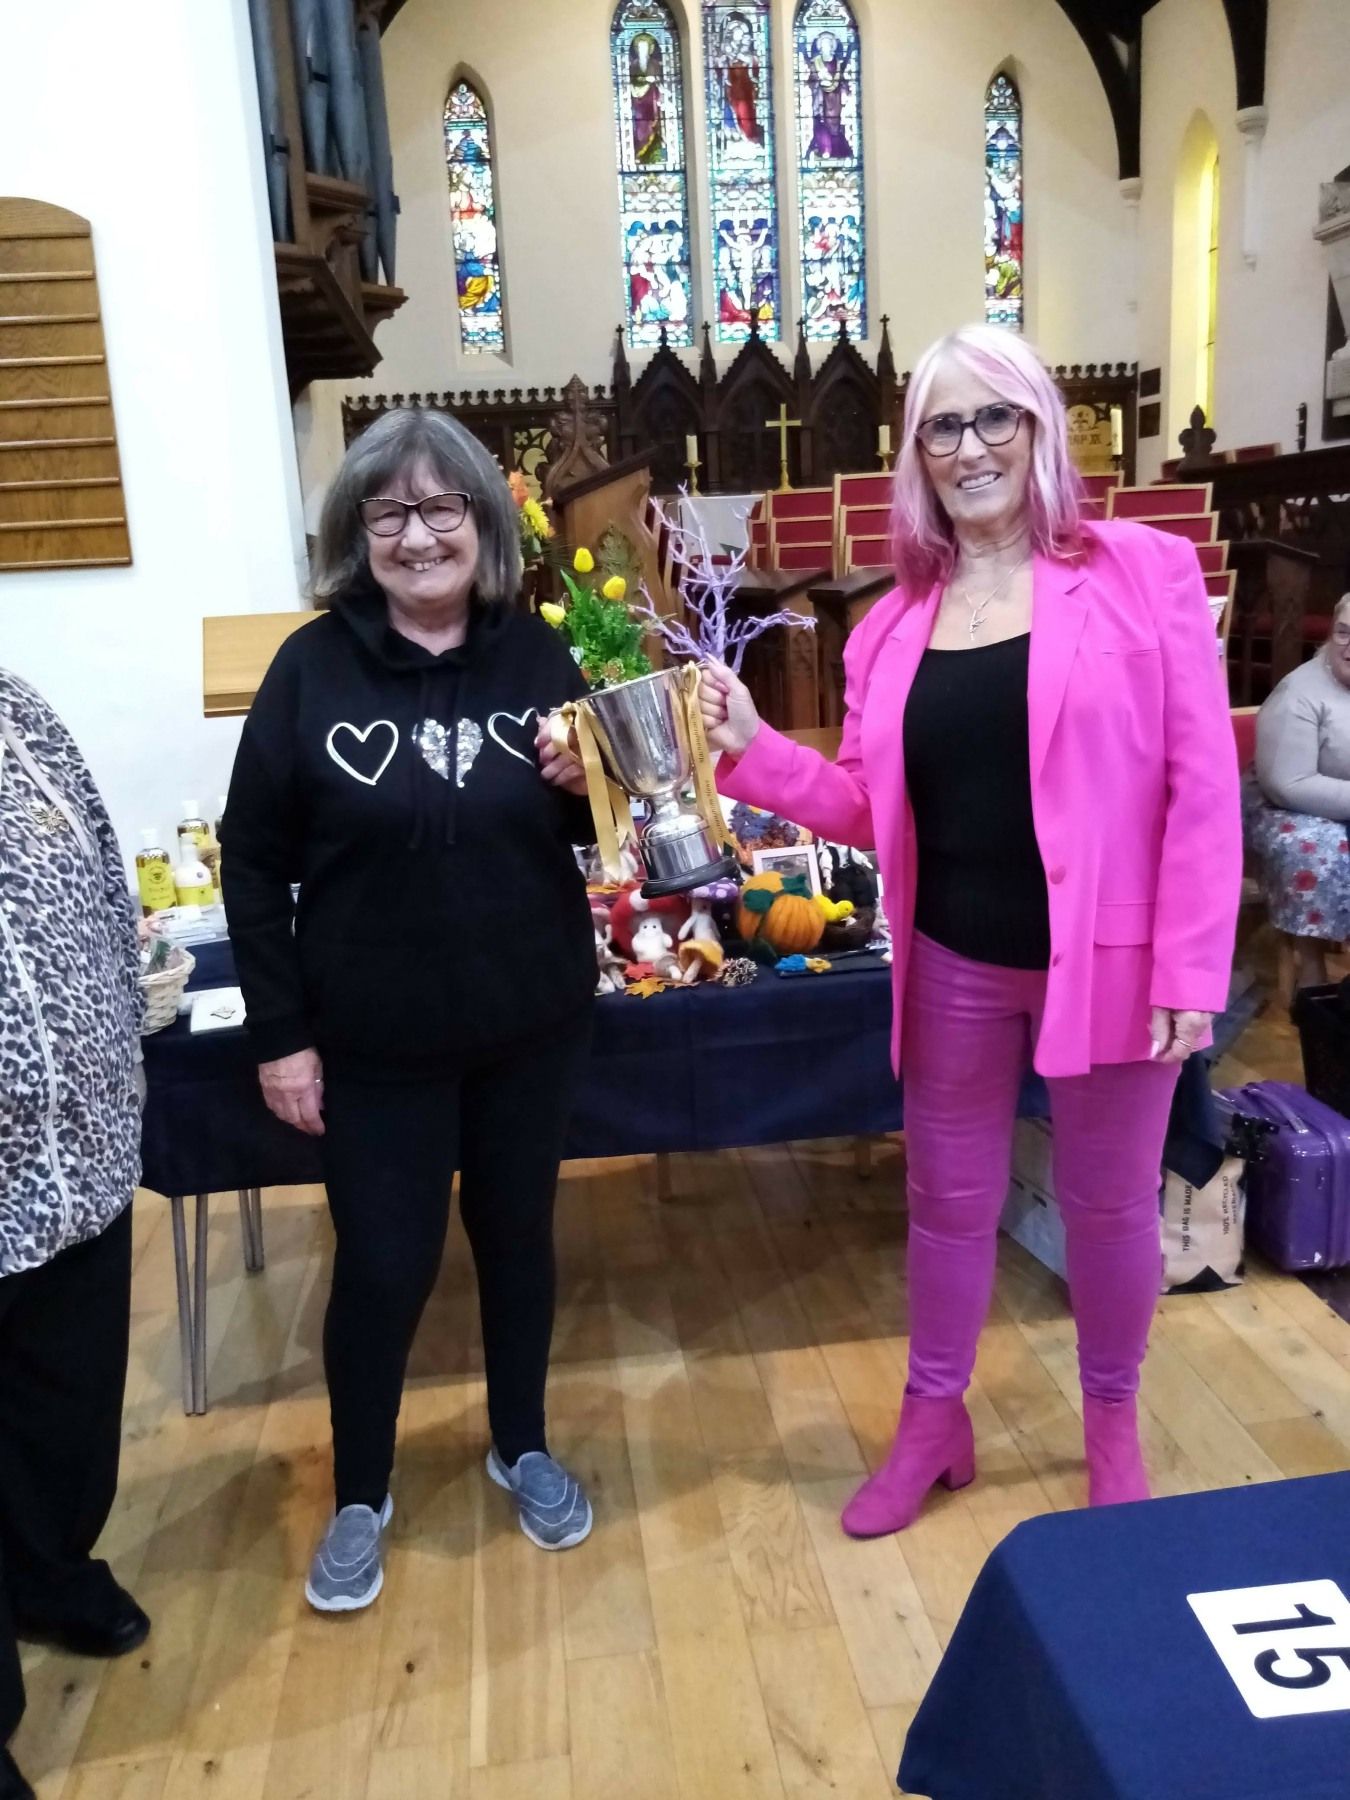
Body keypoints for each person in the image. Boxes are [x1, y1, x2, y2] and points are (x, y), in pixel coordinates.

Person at [700, 323, 1240, 1537]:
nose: (971, 445)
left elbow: (1203, 785)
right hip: (950, 959)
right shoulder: (891, 625)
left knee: (1107, 1209)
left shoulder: (1141, 572)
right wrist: (751, 749)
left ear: (1041, 426)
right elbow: (866, 805)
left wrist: (1191, 967)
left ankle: (1110, 1428)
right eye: (943, 426)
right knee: (944, 1207)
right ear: (918, 455)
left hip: (1110, 962)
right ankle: (931, 1419)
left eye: (995, 416)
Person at [222, 408, 598, 1614]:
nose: (419, 534)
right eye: (391, 514)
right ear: (358, 534)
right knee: (384, 1268)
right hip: (373, 1045)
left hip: (523, 1027)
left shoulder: (539, 658)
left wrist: (590, 785)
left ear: (485, 527)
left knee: (520, 1249)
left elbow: (616, 824)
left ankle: (521, 1444)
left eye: (444, 510)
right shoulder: (309, 670)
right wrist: (279, 1031)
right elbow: (249, 860)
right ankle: (361, 1491)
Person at [0, 670, 150, 1800]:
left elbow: (102, 871)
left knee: (66, 1393)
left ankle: (46, 1570)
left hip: (77, 1154)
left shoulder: (19, 708)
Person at [1247, 596, 1350, 990]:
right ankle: (1312, 976)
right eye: (1343, 633)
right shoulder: (1299, 692)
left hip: (1335, 799)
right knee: (1318, 849)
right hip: (1284, 806)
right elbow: (1288, 784)